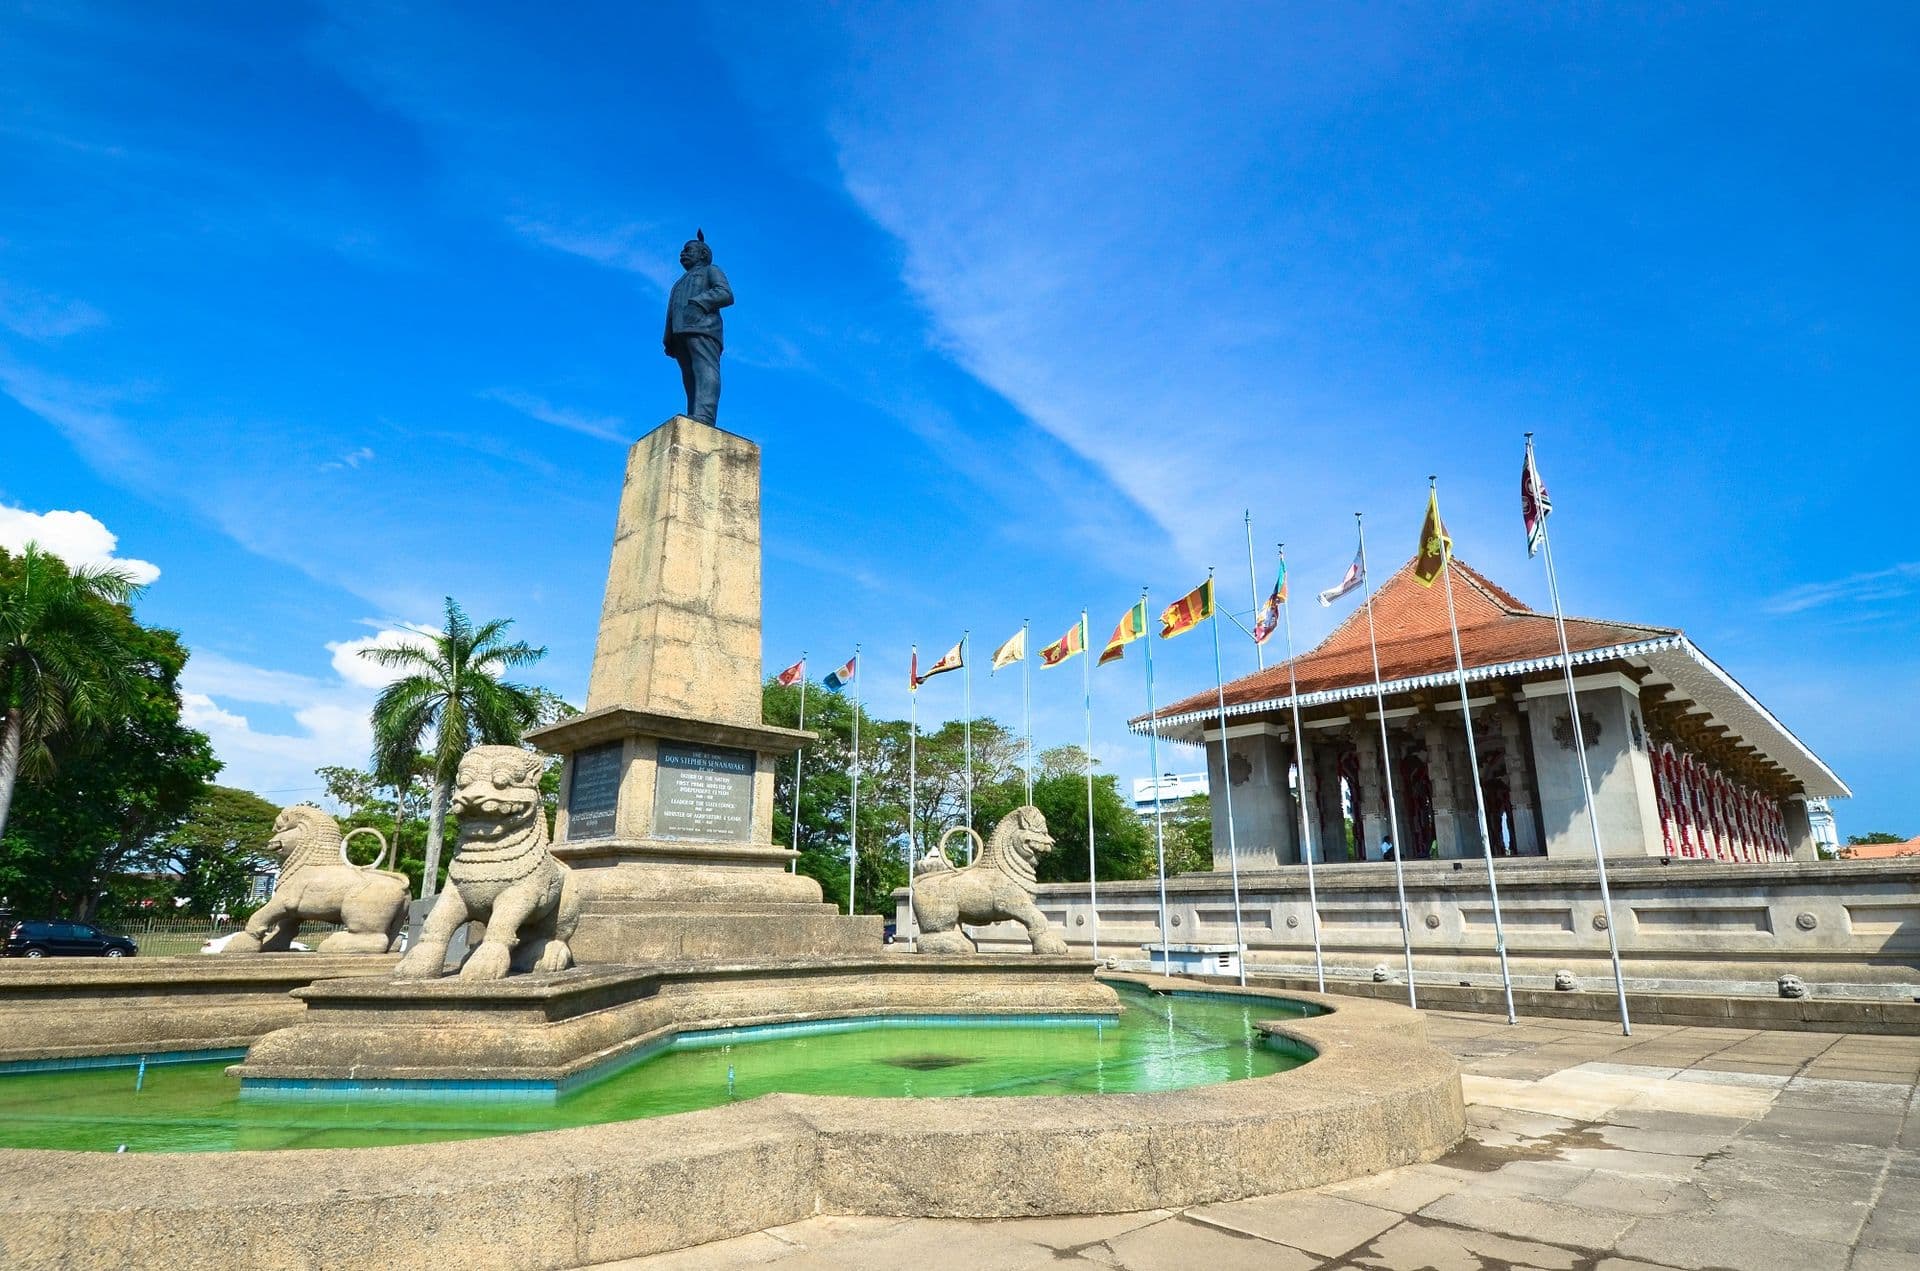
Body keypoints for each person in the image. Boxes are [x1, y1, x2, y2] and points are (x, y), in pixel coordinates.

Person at [662, 230, 733, 424]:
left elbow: (725, 293)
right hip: (681, 332)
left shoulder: (711, 270)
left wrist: (699, 302)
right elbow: (672, 310)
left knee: (704, 369)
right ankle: (694, 414)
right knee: (689, 376)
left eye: (688, 250)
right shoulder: (679, 283)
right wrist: (669, 337)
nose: (682, 253)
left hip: (704, 328)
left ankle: (705, 416)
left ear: (702, 254)